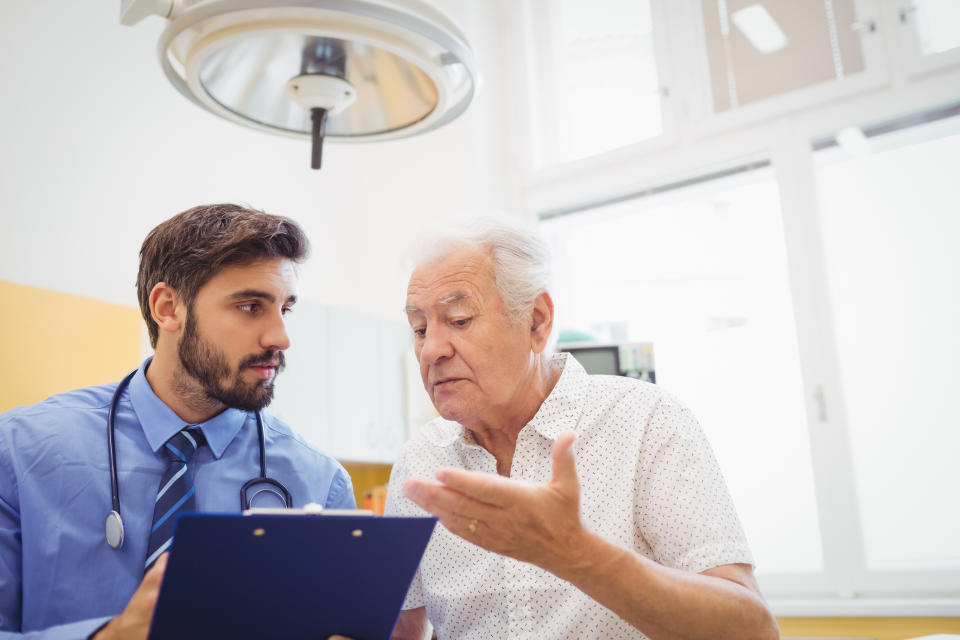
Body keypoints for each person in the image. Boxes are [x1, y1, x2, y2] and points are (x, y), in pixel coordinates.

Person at [385, 221, 780, 640]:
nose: (430, 351)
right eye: (420, 329)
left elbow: (751, 631)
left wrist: (579, 555)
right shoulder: (419, 462)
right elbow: (398, 629)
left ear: (536, 323)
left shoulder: (647, 421)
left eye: (460, 320)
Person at [0, 204, 355, 639]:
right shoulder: (19, 452)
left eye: (286, 308)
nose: (280, 337)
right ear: (168, 308)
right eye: (249, 306)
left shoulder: (320, 484)